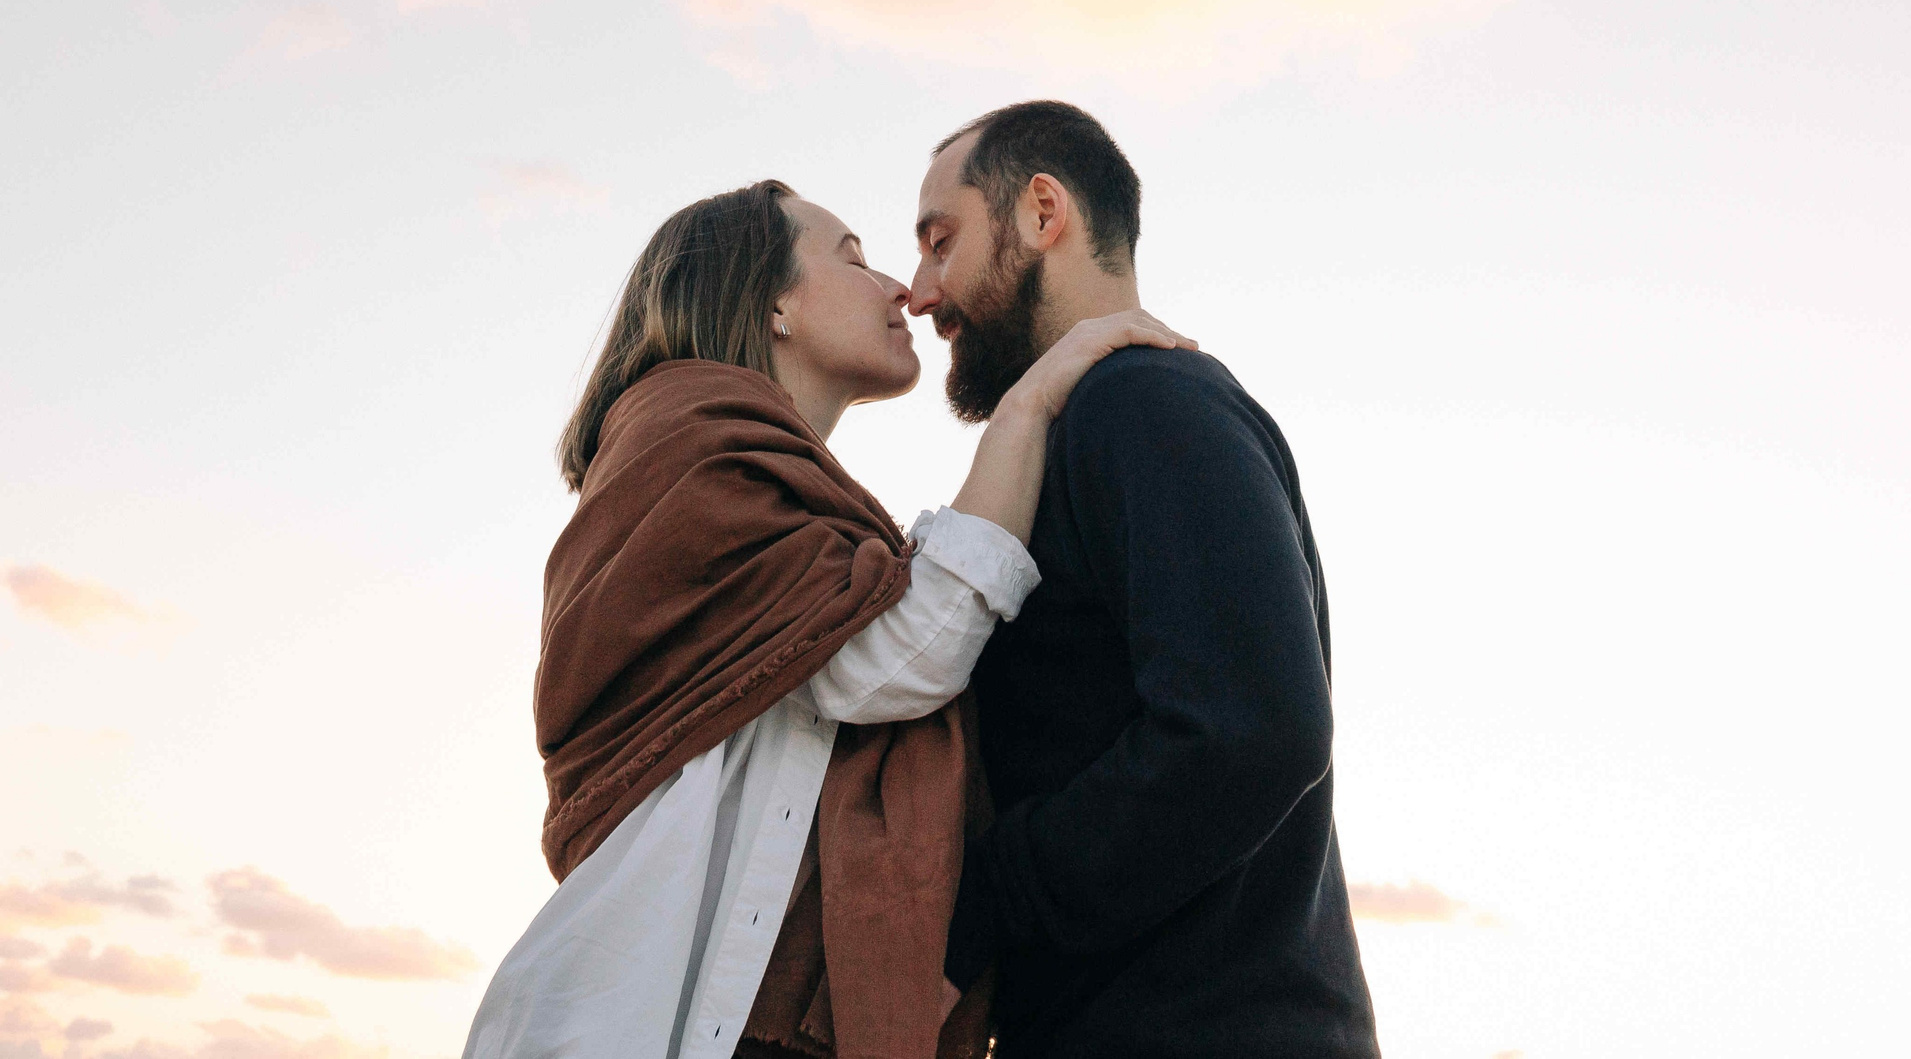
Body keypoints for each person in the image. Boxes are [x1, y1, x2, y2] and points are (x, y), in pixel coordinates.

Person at [462, 178, 1188, 1059]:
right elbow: (895, 658)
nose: (900, 288)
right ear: (774, 304)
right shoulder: (685, 440)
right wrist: (1029, 405)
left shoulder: (768, 493)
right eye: (853, 258)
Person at [911, 102, 1380, 1059]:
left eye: (940, 240)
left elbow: (1252, 729)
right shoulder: (1082, 428)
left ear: (1043, 212)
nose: (920, 293)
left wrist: (991, 891)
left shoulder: (1144, 401)